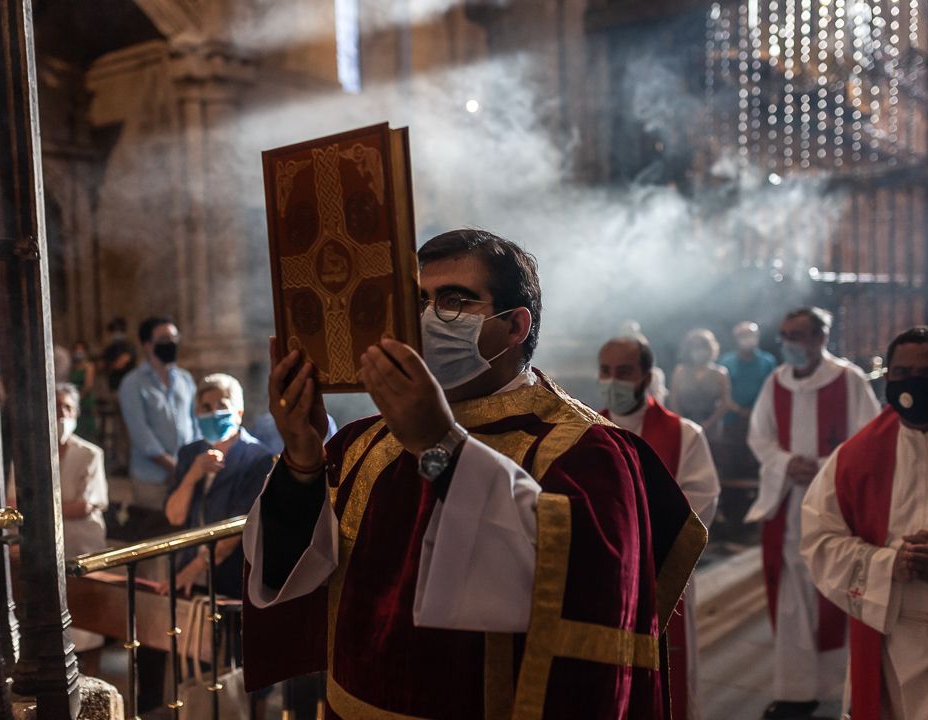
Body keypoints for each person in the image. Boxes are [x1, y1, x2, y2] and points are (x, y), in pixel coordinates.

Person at [242, 229, 706, 718]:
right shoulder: (365, 441)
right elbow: (291, 574)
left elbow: (577, 589)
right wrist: (300, 457)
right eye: (418, 299)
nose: (426, 318)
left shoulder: (587, 451)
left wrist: (438, 444)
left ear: (515, 326)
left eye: (454, 300)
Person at [801, 327, 928, 719]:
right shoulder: (854, 457)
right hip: (889, 639)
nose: (914, 383)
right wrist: (890, 564)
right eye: (902, 372)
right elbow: (818, 538)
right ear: (888, 377)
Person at [744, 307, 880, 719]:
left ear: (821, 338)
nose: (789, 342)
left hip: (835, 508)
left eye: (798, 335)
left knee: (836, 595)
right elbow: (759, 436)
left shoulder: (848, 380)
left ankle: (840, 692)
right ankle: (795, 691)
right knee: (790, 600)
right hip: (787, 508)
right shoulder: (776, 381)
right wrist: (787, 462)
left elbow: (868, 438)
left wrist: (821, 466)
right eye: (785, 334)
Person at [597, 334, 721, 720]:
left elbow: (702, 501)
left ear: (647, 376)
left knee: (668, 674)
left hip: (663, 572)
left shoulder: (684, 433)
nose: (613, 381)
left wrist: (637, 538)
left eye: (625, 372)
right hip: (604, 578)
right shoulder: (586, 428)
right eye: (606, 372)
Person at [165, 374, 274, 599]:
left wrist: (193, 570)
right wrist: (192, 476)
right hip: (189, 572)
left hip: (232, 574)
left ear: (239, 413)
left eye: (222, 406)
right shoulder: (189, 453)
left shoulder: (257, 458)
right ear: (196, 413)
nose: (213, 413)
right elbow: (175, 517)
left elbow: (238, 526)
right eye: (206, 407)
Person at [56, 382, 110, 673]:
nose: (61, 414)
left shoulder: (90, 453)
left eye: (68, 408)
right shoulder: (35, 453)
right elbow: (15, 499)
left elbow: (85, 506)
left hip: (83, 547)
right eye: (56, 408)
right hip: (51, 549)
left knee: (88, 622)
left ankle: (92, 678)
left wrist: (41, 509)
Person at [117, 317, 199, 512]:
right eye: (163, 339)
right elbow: (140, 433)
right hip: (151, 478)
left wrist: (191, 463)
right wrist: (173, 466)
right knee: (157, 531)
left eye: (174, 337)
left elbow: (195, 423)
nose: (171, 343)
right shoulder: (132, 383)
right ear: (147, 345)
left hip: (187, 473)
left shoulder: (185, 379)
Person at [669, 328, 732, 439]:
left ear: (711, 349)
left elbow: (725, 403)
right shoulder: (680, 371)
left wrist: (707, 424)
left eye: (703, 347)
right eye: (695, 347)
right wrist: (683, 422)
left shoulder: (720, 373)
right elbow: (673, 399)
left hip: (711, 428)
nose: (699, 351)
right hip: (684, 425)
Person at [718, 321, 777, 441]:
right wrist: (739, 410)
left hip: (762, 419)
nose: (747, 339)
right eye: (743, 336)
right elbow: (720, 393)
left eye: (751, 335)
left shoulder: (768, 361)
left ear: (757, 337)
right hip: (732, 419)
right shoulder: (726, 362)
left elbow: (773, 390)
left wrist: (755, 411)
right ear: (736, 339)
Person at [69, 340, 98, 442]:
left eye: (81, 349)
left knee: (87, 431)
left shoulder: (89, 366)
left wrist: (77, 399)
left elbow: (88, 385)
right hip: (73, 400)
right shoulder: (72, 367)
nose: (78, 351)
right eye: (76, 349)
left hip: (84, 401)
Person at [102, 317, 137, 392]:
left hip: (128, 385)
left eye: (118, 331)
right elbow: (101, 366)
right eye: (113, 331)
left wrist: (109, 366)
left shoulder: (129, 346)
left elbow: (119, 364)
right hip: (114, 386)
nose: (115, 334)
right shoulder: (109, 349)